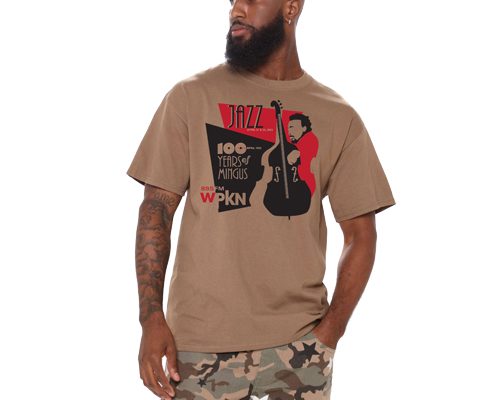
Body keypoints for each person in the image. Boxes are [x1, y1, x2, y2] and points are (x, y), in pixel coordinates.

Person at [126, 0, 396, 398]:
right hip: (198, 346)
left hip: (299, 348)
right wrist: (150, 319)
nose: (236, 9)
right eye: (232, 0)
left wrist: (329, 334)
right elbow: (156, 212)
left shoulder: (338, 116)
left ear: (291, 7)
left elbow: (361, 235)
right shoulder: (190, 97)